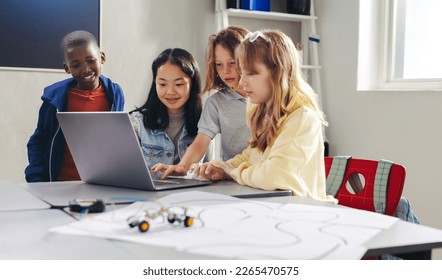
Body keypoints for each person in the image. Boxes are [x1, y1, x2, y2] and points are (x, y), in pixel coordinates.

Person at [195, 29, 337, 203]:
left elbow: (273, 174)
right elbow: (252, 154)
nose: (242, 82)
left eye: (251, 73)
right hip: (275, 208)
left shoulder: (302, 117)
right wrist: (224, 168)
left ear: (279, 72)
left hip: (302, 214)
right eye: (242, 72)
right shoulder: (263, 112)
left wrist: (235, 173)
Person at [25, 30, 125, 182]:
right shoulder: (54, 100)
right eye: (76, 65)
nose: (85, 69)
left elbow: (116, 139)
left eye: (91, 61)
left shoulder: (115, 94)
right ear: (67, 68)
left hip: (102, 183)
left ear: (102, 58)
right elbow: (38, 141)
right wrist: (36, 178)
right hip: (61, 184)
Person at [152, 26, 251, 179]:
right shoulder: (216, 103)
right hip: (234, 178)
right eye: (219, 64)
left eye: (232, 63)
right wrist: (181, 167)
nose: (225, 71)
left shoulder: (266, 96)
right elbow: (200, 143)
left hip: (265, 176)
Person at [129, 48, 202, 176]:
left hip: (188, 195)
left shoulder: (205, 123)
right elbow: (127, 172)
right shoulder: (137, 123)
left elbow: (205, 177)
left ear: (193, 84)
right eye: (162, 84)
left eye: (178, 84)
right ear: (155, 84)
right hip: (147, 196)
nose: (170, 92)